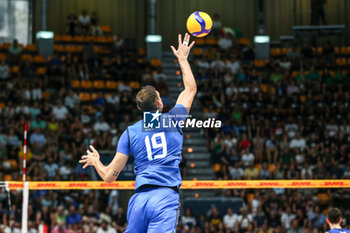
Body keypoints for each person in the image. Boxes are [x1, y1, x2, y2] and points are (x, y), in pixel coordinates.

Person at [80, 33, 196, 233]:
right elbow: (190, 89)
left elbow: (108, 177)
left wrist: (96, 161)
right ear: (160, 103)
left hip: (139, 201)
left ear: (140, 109)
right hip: (165, 198)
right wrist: (183, 59)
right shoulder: (174, 118)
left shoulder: (130, 132)